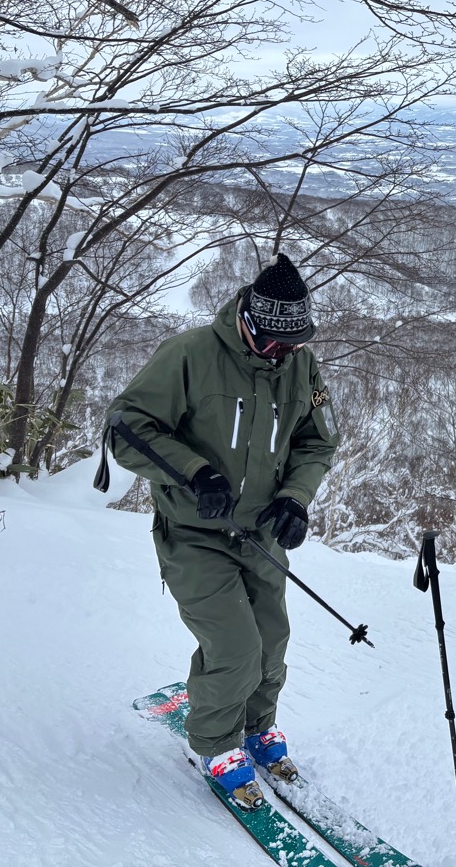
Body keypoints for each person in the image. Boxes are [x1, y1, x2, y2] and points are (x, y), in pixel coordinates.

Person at [106, 253, 338, 809]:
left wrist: (296, 499)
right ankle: (214, 742)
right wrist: (194, 472)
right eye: (278, 343)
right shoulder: (190, 355)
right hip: (195, 531)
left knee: (271, 641)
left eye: (296, 343)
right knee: (235, 646)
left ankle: (258, 727)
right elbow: (125, 427)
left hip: (262, 534)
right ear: (250, 323)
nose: (288, 353)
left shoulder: (299, 365)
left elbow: (316, 441)